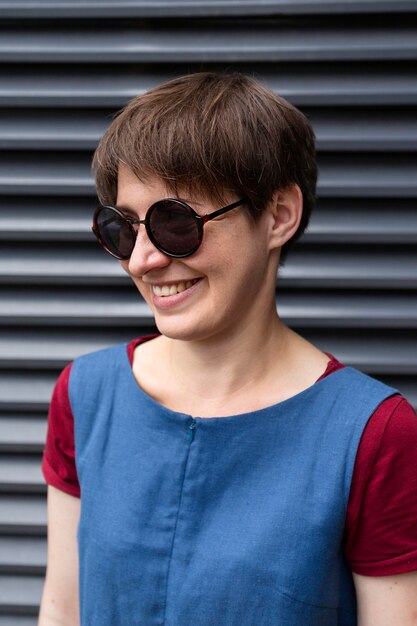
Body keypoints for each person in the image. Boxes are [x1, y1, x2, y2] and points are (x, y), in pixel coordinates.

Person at [38, 72, 417, 626]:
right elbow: (62, 607)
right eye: (123, 228)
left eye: (175, 222)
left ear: (278, 215)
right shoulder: (85, 395)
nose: (142, 260)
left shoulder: (375, 434)